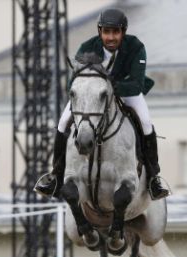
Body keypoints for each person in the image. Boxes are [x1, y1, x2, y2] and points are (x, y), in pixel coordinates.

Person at [34, 7, 170, 201]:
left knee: (146, 123)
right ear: (100, 32)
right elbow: (74, 81)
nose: (111, 37)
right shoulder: (87, 47)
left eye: (116, 32)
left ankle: (153, 177)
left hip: (126, 91)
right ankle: (55, 176)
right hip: (91, 96)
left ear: (123, 32)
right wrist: (89, 90)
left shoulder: (136, 47)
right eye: (107, 32)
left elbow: (137, 83)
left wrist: (110, 87)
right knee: (63, 122)